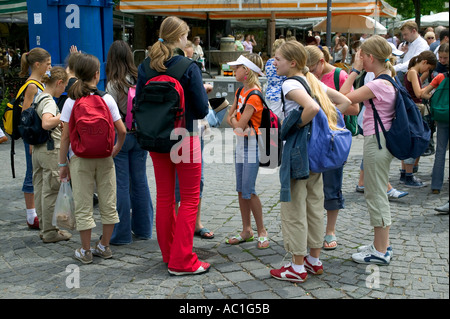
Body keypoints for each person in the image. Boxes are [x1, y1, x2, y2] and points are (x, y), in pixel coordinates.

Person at [270, 41, 351, 282]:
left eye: (278, 59)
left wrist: (296, 125)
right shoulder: (314, 82)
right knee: (315, 205)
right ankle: (314, 260)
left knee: (294, 207)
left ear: (292, 62)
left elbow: (312, 107)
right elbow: (345, 103)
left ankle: (296, 268)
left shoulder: (290, 84)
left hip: (297, 151)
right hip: (315, 154)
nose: (274, 63)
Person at [136, 16, 210, 276]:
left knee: (165, 198)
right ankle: (183, 261)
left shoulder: (146, 66)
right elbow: (201, 109)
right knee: (189, 199)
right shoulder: (188, 66)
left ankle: (169, 255)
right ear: (180, 37)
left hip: (156, 138)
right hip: (185, 137)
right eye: (186, 35)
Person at [59, 53, 126, 264]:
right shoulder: (107, 99)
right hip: (105, 158)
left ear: (77, 75)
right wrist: (114, 149)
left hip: (80, 159)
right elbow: (122, 130)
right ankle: (104, 246)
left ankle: (86, 251)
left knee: (83, 204)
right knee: (108, 202)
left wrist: (62, 164)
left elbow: (65, 138)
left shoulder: (71, 100)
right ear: (97, 75)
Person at [344, 35, 398, 265]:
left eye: (361, 56)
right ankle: (380, 244)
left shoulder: (377, 84)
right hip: (380, 140)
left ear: (370, 57)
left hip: (377, 141)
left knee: (375, 194)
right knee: (376, 191)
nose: (359, 59)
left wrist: (354, 71)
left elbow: (343, 96)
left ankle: (381, 251)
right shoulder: (386, 79)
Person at [305, 45, 359, 250]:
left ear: (321, 62)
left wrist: (327, 113)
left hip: (331, 140)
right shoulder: (308, 77)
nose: (308, 73)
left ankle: (330, 231)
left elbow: (353, 107)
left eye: (311, 68)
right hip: (312, 140)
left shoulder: (340, 75)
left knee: (332, 186)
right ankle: (312, 230)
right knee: (310, 188)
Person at [105, 40, 155, 245]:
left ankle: (121, 234)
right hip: (139, 136)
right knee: (141, 182)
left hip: (121, 138)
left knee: (121, 186)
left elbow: (110, 115)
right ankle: (144, 229)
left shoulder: (113, 84)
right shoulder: (139, 77)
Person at [224, 53, 269, 250]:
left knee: (249, 190)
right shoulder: (241, 91)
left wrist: (234, 120)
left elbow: (236, 123)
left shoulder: (254, 95)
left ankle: (261, 231)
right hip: (242, 145)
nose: (235, 70)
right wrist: (235, 122)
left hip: (252, 145)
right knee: (241, 189)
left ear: (247, 71)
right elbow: (231, 120)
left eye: (238, 67)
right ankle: (246, 230)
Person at [32, 66, 72, 243]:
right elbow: (47, 122)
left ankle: (44, 227)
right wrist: (64, 115)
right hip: (50, 149)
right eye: (64, 87)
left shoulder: (38, 96)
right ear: (59, 83)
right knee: (51, 191)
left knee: (40, 189)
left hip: (39, 149)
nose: (63, 91)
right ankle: (50, 231)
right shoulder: (48, 100)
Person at [19, 47, 52, 230]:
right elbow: (26, 115)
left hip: (36, 136)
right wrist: (30, 140)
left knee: (35, 172)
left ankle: (35, 212)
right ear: (37, 64)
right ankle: (31, 215)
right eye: (47, 64)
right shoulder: (32, 85)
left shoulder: (38, 82)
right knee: (31, 173)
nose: (49, 66)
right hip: (32, 137)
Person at [400, 50, 437, 188]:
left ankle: (404, 173)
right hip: (414, 109)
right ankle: (408, 176)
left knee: (409, 140)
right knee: (413, 140)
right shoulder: (413, 72)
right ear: (424, 62)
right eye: (428, 68)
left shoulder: (411, 72)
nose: (427, 71)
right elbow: (418, 92)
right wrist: (433, 85)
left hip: (410, 109)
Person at [422, 69, 449, 195]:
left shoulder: (441, 77)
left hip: (442, 116)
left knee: (440, 150)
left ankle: (436, 185)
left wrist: (435, 99)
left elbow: (424, 93)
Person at [264, 38, 286, 119]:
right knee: (275, 122)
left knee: (269, 120)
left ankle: (268, 132)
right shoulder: (282, 62)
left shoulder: (269, 62)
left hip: (268, 92)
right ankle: (273, 132)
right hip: (278, 95)